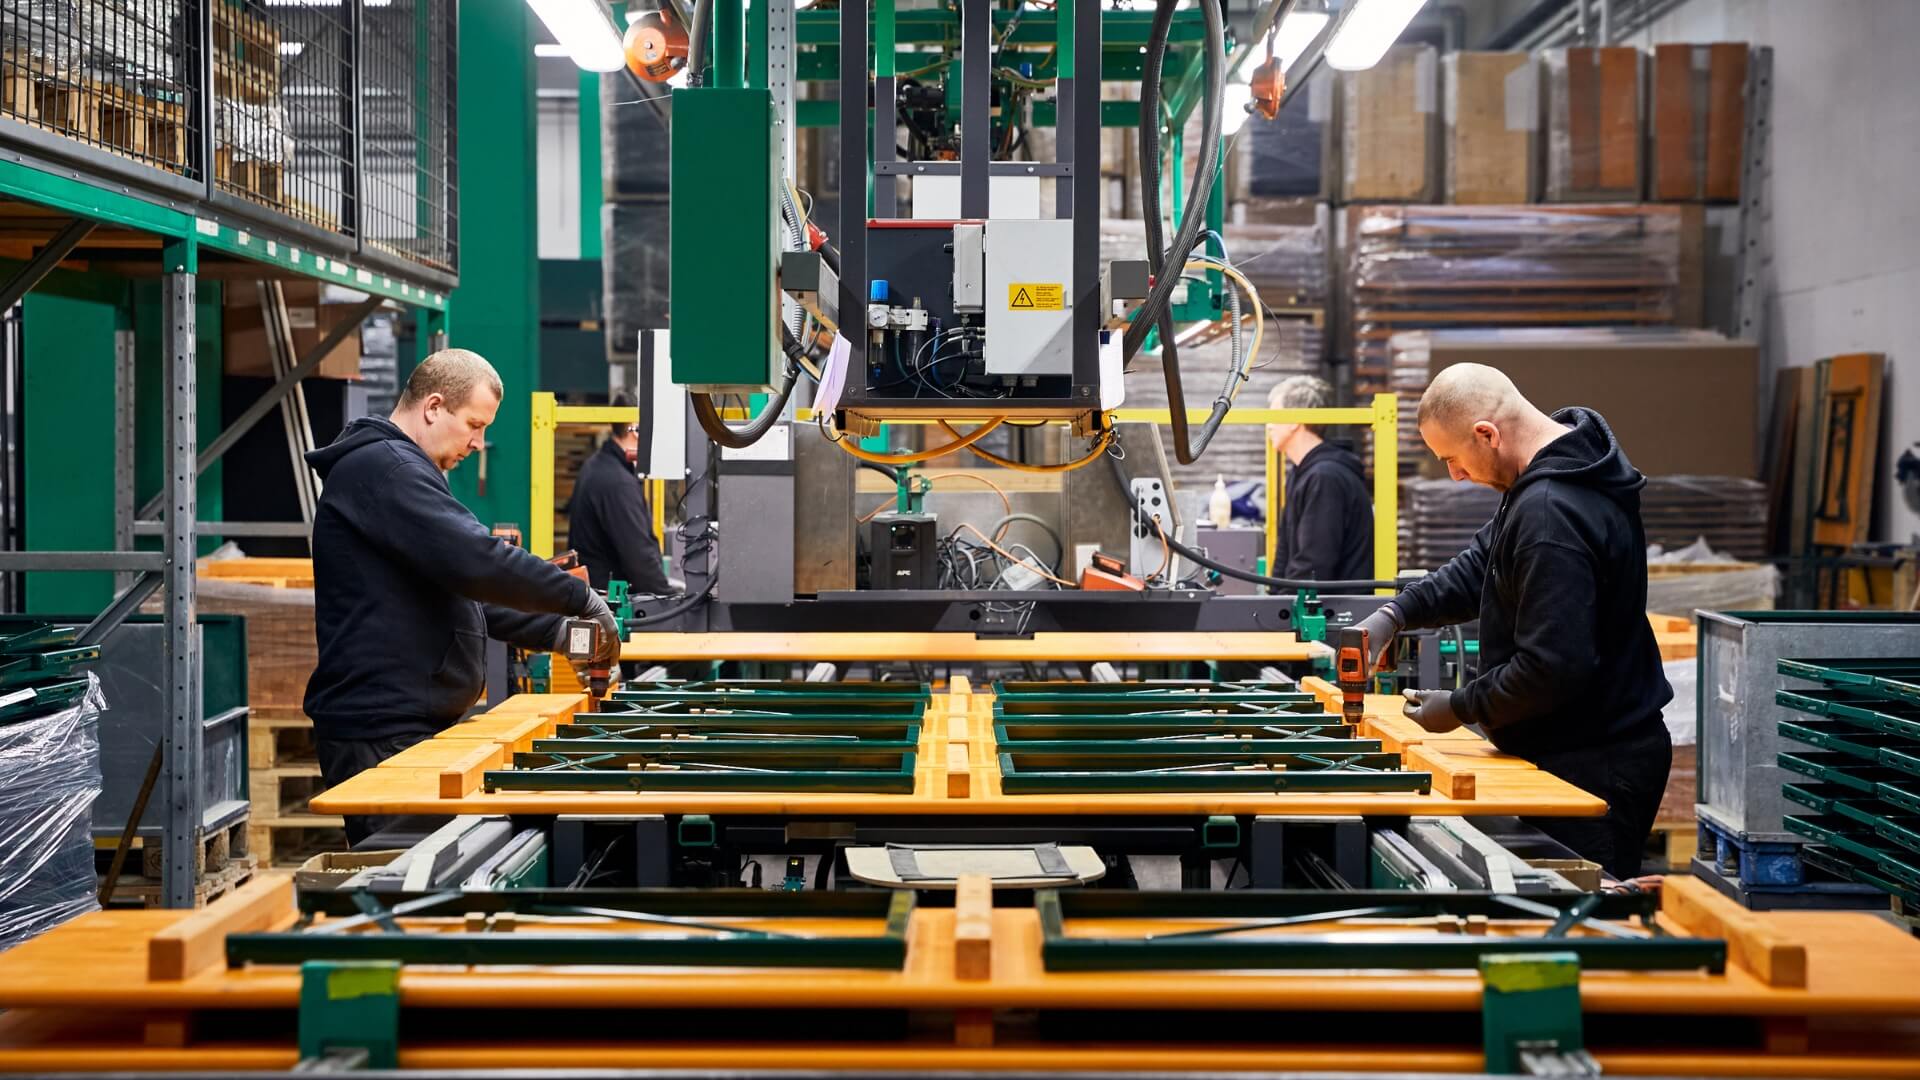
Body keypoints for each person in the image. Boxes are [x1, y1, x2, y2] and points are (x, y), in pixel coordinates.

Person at [1351, 363, 1672, 878]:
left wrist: (1458, 706)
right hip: (1578, 747)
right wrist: (1398, 612)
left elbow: (1551, 667)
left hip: (1593, 761)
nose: (1454, 476)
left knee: (1578, 925)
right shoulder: (1551, 478)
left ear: (1487, 434)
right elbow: (1484, 564)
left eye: (1453, 460)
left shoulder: (1552, 509)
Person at [303, 348, 621, 844]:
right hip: (381, 731)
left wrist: (559, 633)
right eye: (474, 424)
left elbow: (459, 592)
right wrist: (579, 601)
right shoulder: (385, 470)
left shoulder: (399, 469)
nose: (478, 442)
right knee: (409, 890)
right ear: (433, 407)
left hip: (404, 725)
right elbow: (478, 560)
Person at [1266, 375, 1373, 582]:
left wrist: (1283, 606)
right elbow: (1286, 552)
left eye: (1273, 415)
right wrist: (1274, 601)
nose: (1268, 425)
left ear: (1294, 421)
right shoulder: (1302, 472)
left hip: (1333, 608)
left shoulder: (1325, 477)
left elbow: (1314, 562)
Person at [567, 393, 671, 595]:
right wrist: (669, 601)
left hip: (599, 594)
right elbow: (639, 558)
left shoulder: (600, 466)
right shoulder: (617, 482)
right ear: (636, 429)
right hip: (610, 601)